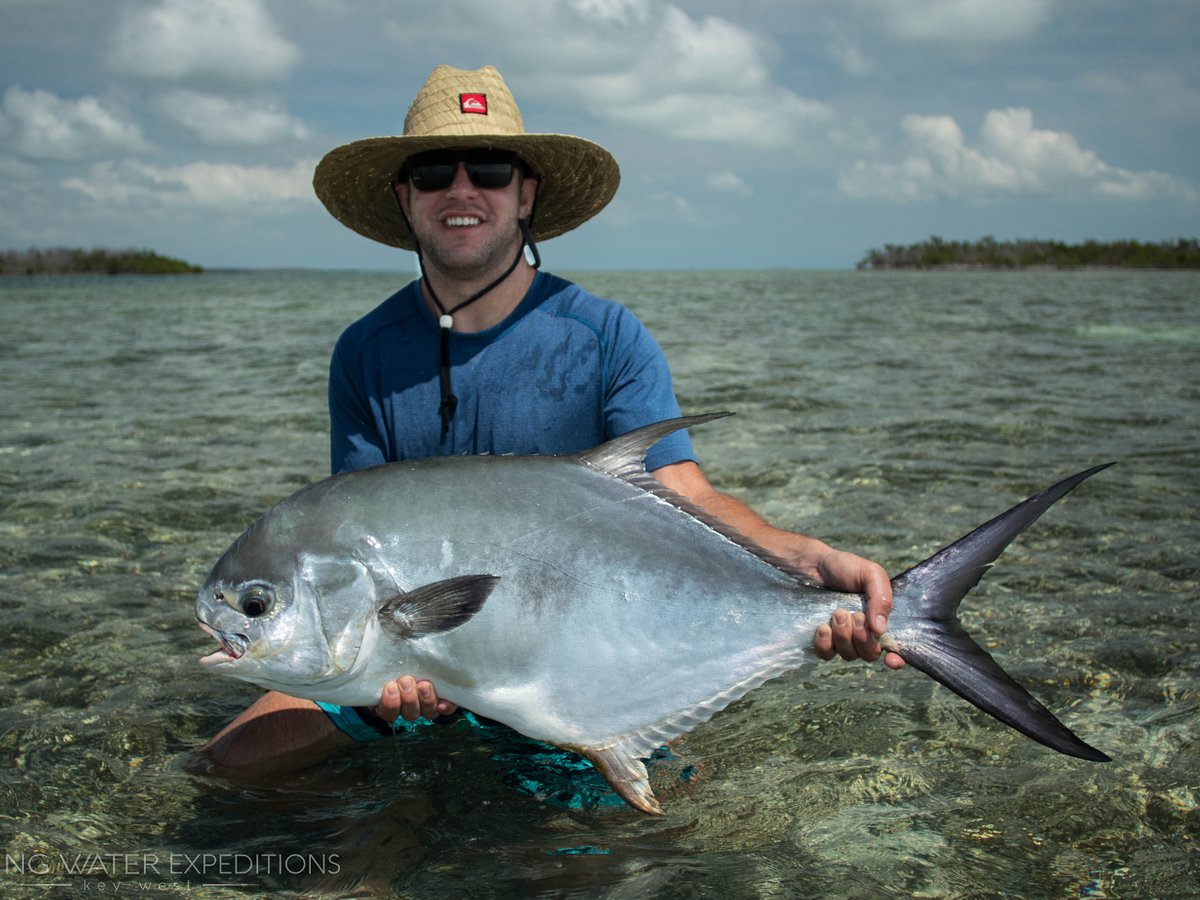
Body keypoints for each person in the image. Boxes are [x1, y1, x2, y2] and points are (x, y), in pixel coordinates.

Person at [201, 65, 902, 773]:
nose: (462, 191)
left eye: (492, 170)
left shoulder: (604, 335)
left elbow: (683, 491)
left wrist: (807, 562)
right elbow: (349, 525)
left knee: (615, 861)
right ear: (405, 198)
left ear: (525, 193)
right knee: (225, 775)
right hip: (408, 674)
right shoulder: (363, 352)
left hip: (584, 665)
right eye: (435, 171)